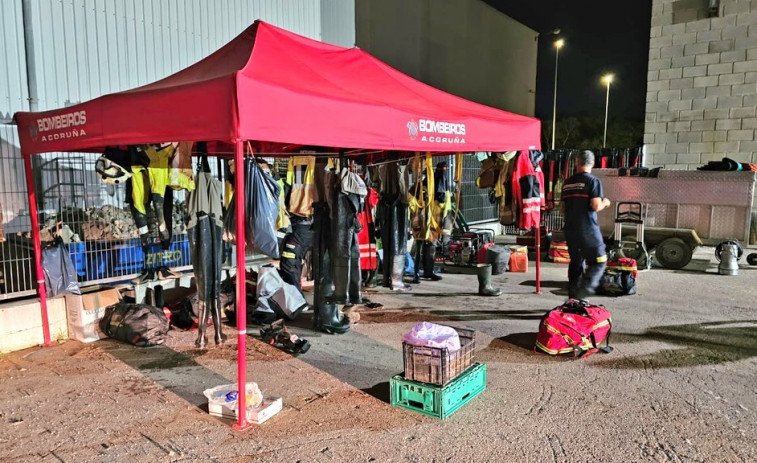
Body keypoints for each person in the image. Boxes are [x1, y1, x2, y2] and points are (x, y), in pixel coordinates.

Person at [561, 150, 611, 300]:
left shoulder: (567, 182)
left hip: (570, 230)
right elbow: (596, 206)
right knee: (600, 260)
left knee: (576, 263)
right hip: (587, 229)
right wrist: (606, 203)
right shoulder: (592, 181)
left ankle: (573, 300)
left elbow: (562, 207)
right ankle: (584, 290)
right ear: (593, 163)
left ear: (576, 162)